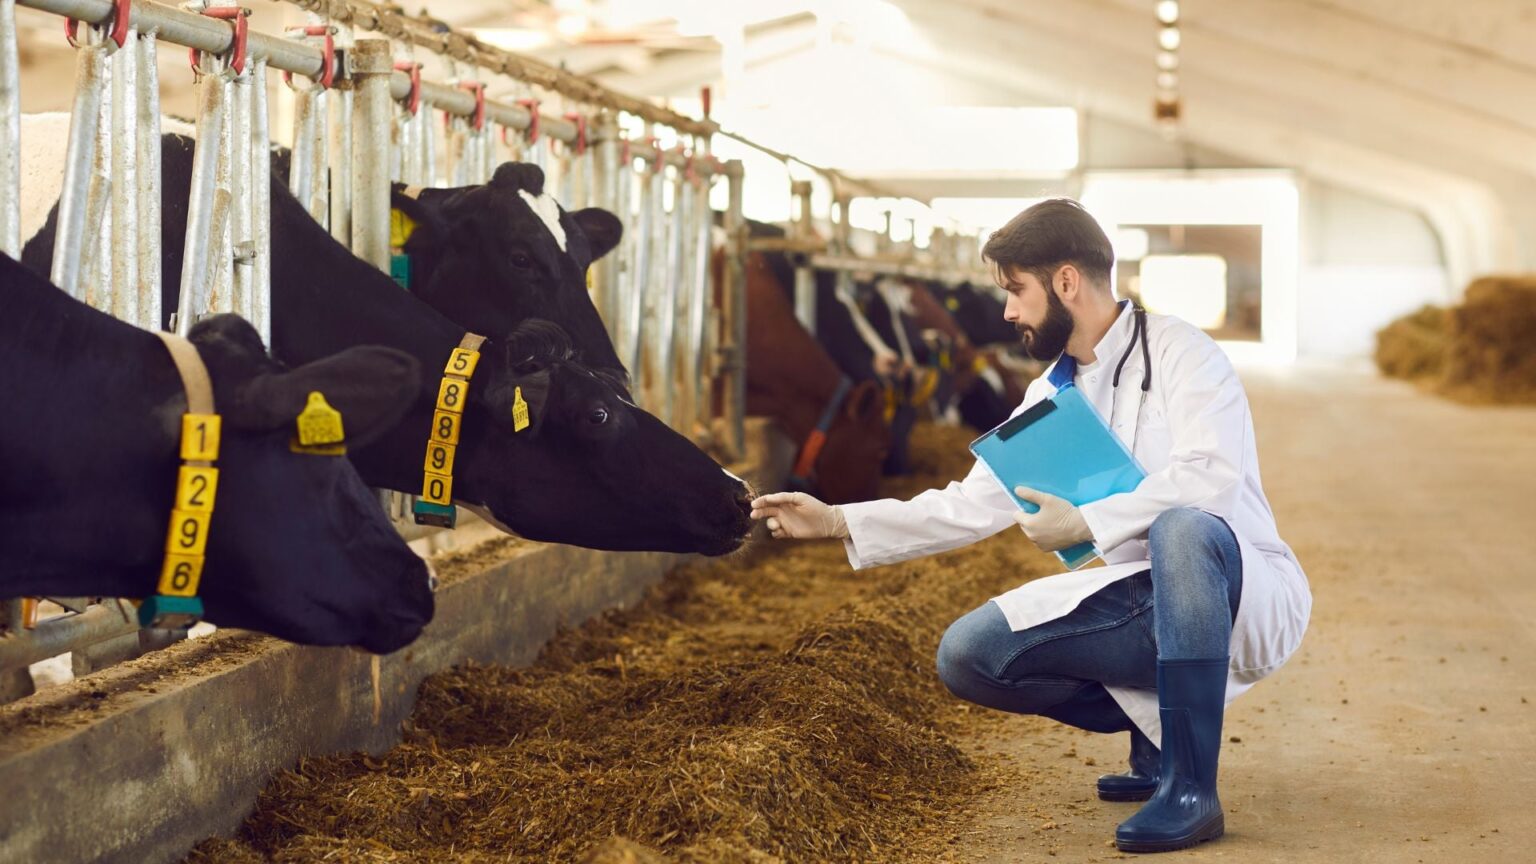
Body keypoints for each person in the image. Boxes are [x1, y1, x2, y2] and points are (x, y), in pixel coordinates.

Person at [750, 199, 1311, 853]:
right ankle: (1157, 743)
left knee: (1182, 529)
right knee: (970, 656)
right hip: (1144, 602)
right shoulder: (1051, 392)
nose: (1009, 311)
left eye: (1016, 290)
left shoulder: (1186, 354)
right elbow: (972, 502)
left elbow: (1209, 479)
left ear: (1066, 282)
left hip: (1240, 593)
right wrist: (839, 520)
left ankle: (1191, 788)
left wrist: (1087, 518)